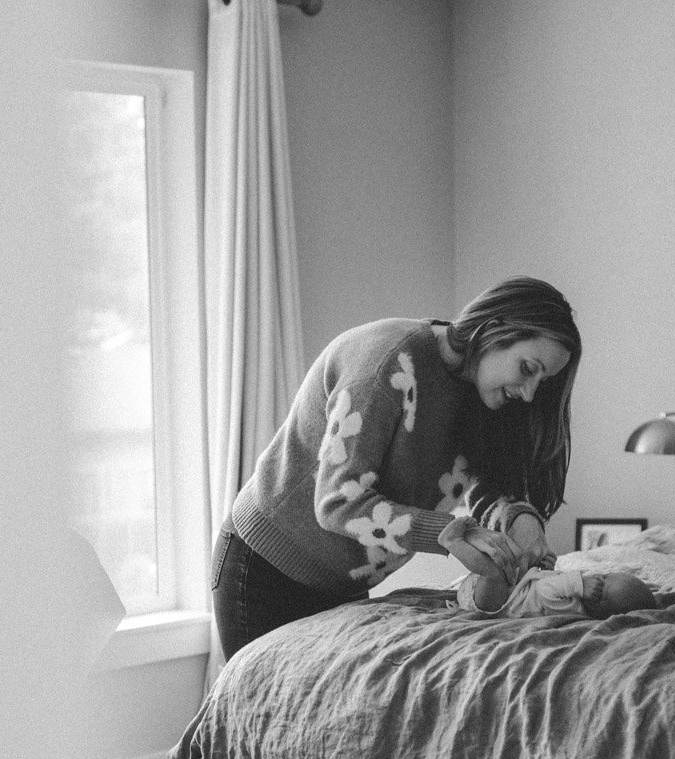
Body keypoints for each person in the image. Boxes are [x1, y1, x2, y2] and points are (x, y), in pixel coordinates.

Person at [211, 277, 581, 659]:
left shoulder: (481, 398)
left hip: (342, 584)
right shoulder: (387, 363)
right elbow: (338, 503)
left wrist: (519, 517)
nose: (530, 392)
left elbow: (483, 481)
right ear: (495, 329)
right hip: (264, 573)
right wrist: (452, 535)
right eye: (528, 368)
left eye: (543, 380)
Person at [441, 512, 659, 620]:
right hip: (513, 593)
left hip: (491, 602)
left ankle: (451, 542)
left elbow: (545, 590)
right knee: (516, 559)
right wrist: (543, 569)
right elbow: (539, 587)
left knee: (493, 570)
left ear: (599, 605)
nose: (596, 578)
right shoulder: (570, 602)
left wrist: (578, 584)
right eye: (605, 575)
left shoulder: (572, 606)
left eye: (601, 585)